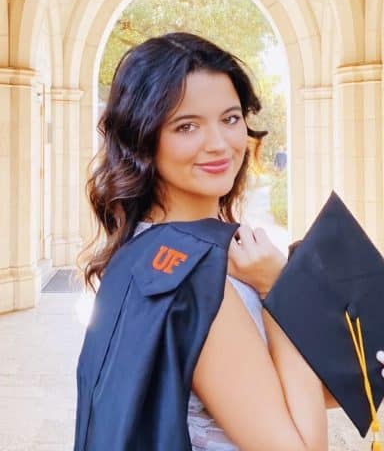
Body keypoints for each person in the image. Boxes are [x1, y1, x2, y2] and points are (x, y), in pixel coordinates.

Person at [76, 32, 382, 451]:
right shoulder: (200, 274)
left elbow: (262, 394)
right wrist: (278, 291)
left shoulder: (143, 252)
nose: (219, 144)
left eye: (231, 118)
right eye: (186, 126)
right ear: (143, 138)